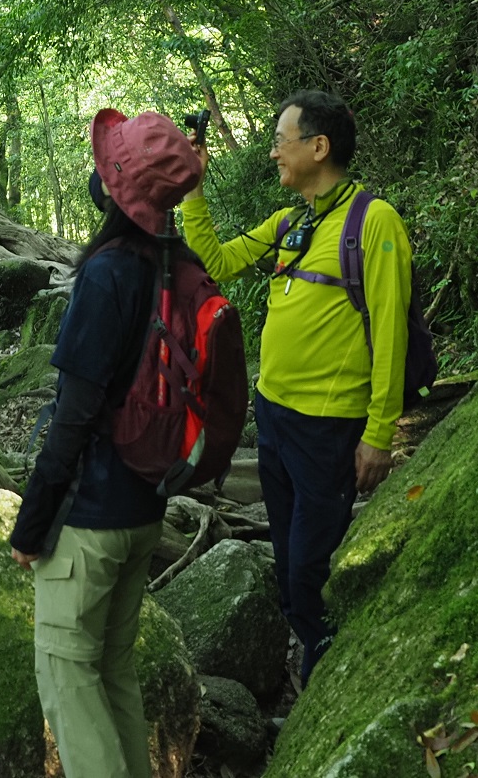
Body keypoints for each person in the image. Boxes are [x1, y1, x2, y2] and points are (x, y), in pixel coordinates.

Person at [180, 89, 411, 688]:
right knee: (287, 556)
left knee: (309, 564)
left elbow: (390, 332)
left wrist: (379, 433)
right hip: (275, 418)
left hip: (328, 427)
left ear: (319, 146)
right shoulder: (292, 222)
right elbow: (215, 263)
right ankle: (310, 650)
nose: (274, 152)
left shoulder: (373, 222)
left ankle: (327, 666)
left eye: (282, 141)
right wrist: (194, 191)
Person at [9, 109, 202, 778]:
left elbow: (74, 415)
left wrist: (31, 524)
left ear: (119, 192)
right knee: (112, 668)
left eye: (108, 166)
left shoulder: (107, 273)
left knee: (66, 673)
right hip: (147, 505)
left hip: (89, 521)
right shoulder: (179, 266)